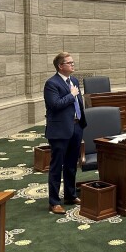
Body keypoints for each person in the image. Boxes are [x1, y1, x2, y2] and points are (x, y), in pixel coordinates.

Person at [44, 52, 87, 214]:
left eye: (73, 62)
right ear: (60, 66)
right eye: (69, 63)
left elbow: (78, 103)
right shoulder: (51, 83)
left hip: (76, 127)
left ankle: (70, 194)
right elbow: (54, 105)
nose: (73, 65)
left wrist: (81, 121)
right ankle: (54, 201)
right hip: (60, 130)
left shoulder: (74, 80)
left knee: (71, 164)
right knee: (57, 166)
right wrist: (71, 95)